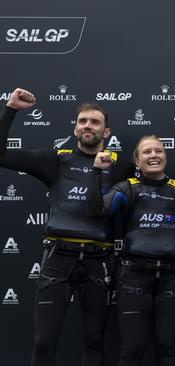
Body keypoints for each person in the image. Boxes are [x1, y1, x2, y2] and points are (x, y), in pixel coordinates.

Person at [0, 89, 134, 366]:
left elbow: (150, 196)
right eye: (83, 121)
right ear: (75, 128)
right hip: (58, 259)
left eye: (95, 122)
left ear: (106, 132)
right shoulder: (56, 160)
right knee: (44, 342)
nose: (88, 126)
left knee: (94, 341)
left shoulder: (121, 167)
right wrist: (11, 109)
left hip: (100, 260)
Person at [86, 135, 175, 366]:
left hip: (172, 277)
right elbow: (96, 211)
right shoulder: (126, 189)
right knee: (132, 349)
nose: (154, 155)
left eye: (159, 151)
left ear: (165, 156)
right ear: (137, 161)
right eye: (147, 152)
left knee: (167, 348)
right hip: (134, 276)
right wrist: (97, 173)